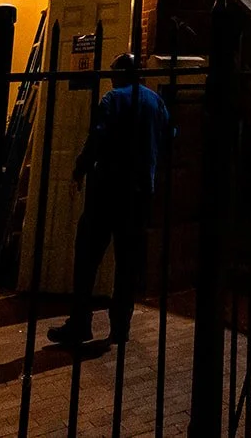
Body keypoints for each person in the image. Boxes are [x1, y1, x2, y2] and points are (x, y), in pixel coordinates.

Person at [48, 53, 169, 346]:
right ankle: (120, 327)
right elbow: (169, 134)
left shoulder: (112, 99)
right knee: (128, 263)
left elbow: (97, 138)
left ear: (120, 74)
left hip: (108, 190)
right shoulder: (156, 102)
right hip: (140, 192)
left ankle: (80, 322)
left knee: (87, 257)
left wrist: (79, 169)